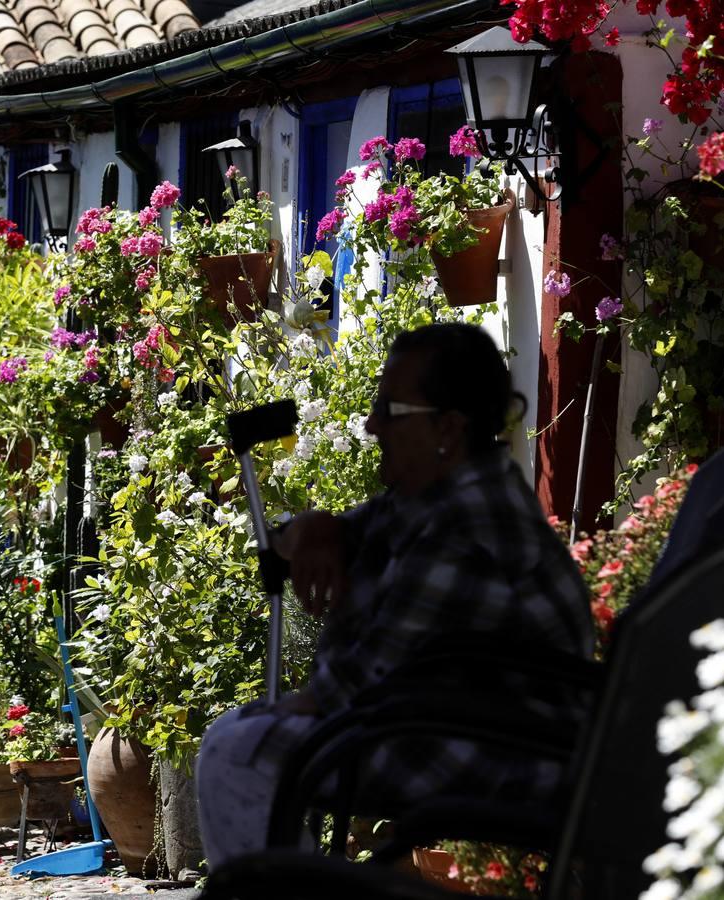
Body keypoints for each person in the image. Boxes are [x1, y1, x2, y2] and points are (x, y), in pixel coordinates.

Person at [195, 322, 593, 868]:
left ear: (447, 429)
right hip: (452, 725)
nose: (371, 424)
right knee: (244, 740)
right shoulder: (431, 494)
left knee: (240, 753)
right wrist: (315, 527)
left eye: (390, 410)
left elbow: (366, 680)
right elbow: (327, 534)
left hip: (505, 750)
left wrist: (294, 709)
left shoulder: (469, 522)